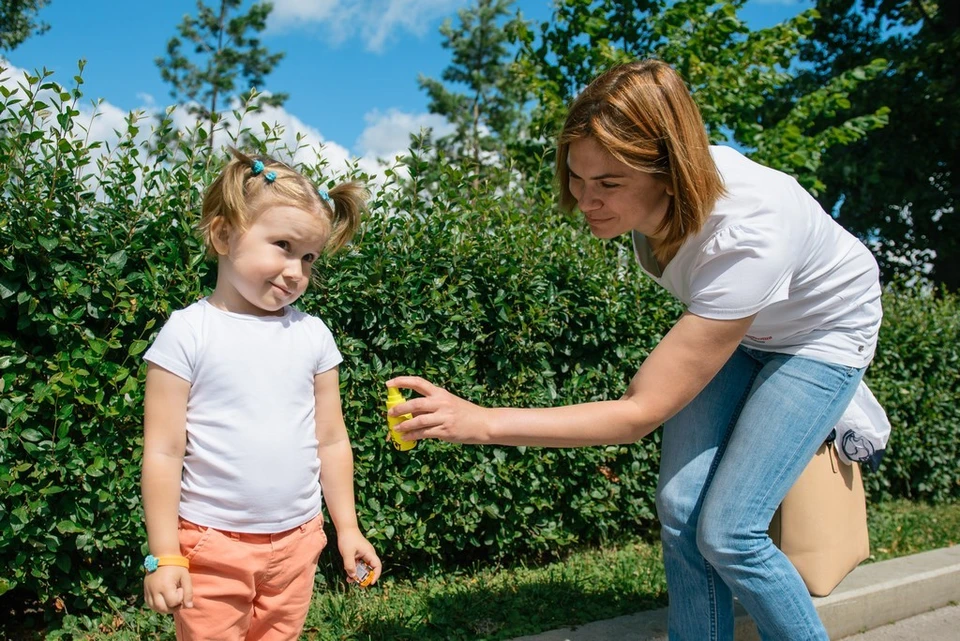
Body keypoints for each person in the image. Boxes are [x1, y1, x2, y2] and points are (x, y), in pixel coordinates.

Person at [386, 59, 883, 641]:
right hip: (749, 325)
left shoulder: (749, 233)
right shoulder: (660, 202)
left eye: (608, 184)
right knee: (681, 512)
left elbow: (638, 414)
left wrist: (479, 421)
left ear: (670, 173)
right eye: (577, 176)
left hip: (821, 335)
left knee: (730, 532)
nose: (584, 200)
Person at [140, 148, 381, 641]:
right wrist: (165, 553)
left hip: (299, 541)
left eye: (308, 257)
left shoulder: (313, 336)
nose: (296, 270)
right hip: (210, 545)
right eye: (283, 245)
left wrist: (347, 528)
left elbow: (332, 441)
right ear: (224, 234)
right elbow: (163, 452)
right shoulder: (187, 334)